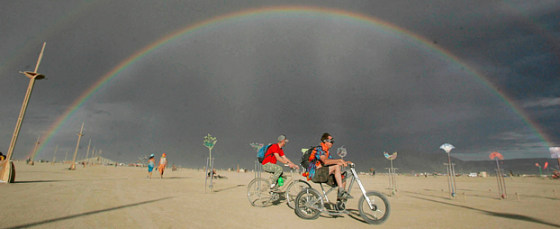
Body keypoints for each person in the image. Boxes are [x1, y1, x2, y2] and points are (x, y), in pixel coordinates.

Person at [309, 133, 352, 201]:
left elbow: (332, 161)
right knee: (336, 166)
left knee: (342, 178)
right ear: (325, 141)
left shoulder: (327, 152)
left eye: (333, 141)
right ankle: (341, 191)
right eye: (330, 141)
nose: (332, 143)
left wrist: (345, 162)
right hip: (316, 174)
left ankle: (340, 203)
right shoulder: (319, 149)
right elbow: (326, 161)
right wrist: (339, 160)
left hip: (324, 173)